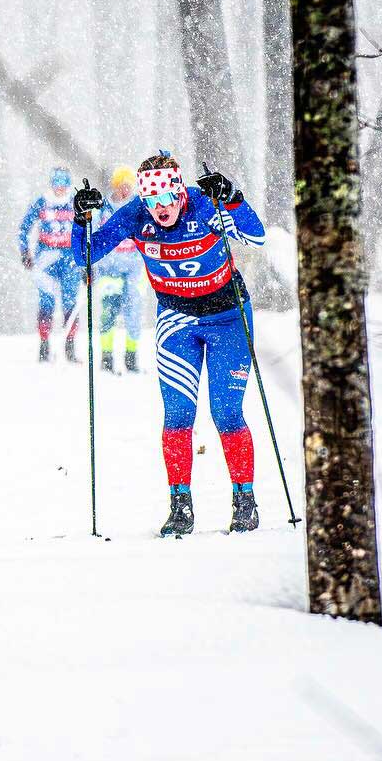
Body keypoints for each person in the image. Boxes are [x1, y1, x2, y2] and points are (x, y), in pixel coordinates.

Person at [71, 153, 266, 536]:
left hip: (228, 317)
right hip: (176, 319)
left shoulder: (204, 204)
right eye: (151, 201)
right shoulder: (134, 214)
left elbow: (256, 236)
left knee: (226, 414)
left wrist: (232, 198)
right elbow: (85, 255)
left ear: (179, 192)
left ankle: (245, 501)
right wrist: (79, 219)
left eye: (166, 199)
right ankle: (181, 506)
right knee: (178, 416)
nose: (160, 209)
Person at [19, 168, 82, 363]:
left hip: (70, 259)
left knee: (70, 302)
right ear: (51, 184)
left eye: (64, 185)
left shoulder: (75, 202)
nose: (60, 189)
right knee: (46, 302)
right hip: (46, 258)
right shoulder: (42, 202)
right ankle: (44, 345)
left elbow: (89, 228)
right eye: (57, 185)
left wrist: (90, 260)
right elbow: (23, 228)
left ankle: (69, 347)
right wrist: (25, 252)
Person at [92, 166, 146, 373]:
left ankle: (131, 359)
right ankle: (106, 359)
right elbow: (94, 235)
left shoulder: (136, 207)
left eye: (128, 185)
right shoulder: (104, 208)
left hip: (133, 268)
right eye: (122, 185)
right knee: (109, 312)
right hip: (108, 269)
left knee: (133, 313)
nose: (125, 190)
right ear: (115, 185)